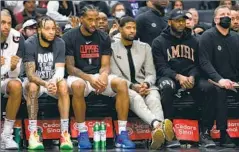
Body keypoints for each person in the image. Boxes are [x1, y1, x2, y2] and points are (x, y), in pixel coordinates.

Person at [62, 5, 135, 149]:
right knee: (78, 86)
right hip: (78, 76)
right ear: (81, 19)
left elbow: (105, 64)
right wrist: (89, 78)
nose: (94, 23)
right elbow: (70, 67)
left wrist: (103, 76)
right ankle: (82, 133)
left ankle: (122, 133)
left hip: (97, 75)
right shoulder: (69, 36)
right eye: (90, 19)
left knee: (121, 84)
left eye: (96, 19)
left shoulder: (103, 37)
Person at [152, 9, 218, 148]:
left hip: (190, 77)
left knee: (210, 88)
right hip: (170, 76)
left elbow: (198, 64)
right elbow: (161, 67)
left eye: (183, 20)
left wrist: (192, 77)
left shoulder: (194, 40)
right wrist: (178, 77)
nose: (181, 23)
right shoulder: (159, 42)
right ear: (170, 22)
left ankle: (205, 132)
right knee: (167, 87)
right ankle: (168, 133)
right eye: (177, 20)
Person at [199, 5, 239, 148]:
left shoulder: (237, 37)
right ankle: (222, 133)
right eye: (223, 14)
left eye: (229, 14)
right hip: (212, 79)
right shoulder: (207, 36)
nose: (227, 16)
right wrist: (220, 79)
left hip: (233, 80)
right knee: (219, 92)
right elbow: (204, 62)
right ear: (215, 19)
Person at [111, 16, 174, 150]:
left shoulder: (145, 47)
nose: (132, 31)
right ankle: (158, 125)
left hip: (145, 85)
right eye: (128, 27)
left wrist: (146, 84)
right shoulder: (112, 49)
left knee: (154, 98)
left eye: (134, 28)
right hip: (124, 87)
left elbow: (151, 73)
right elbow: (115, 74)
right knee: (137, 98)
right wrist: (133, 86)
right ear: (120, 29)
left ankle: (158, 133)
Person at [23, 16, 73, 150]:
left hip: (52, 82)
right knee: (33, 87)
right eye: (47, 29)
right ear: (39, 30)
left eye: (53, 29)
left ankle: (64, 133)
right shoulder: (29, 43)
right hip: (35, 83)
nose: (51, 32)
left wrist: (52, 82)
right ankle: (33, 134)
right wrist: (46, 84)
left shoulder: (60, 42)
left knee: (63, 85)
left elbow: (60, 70)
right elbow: (30, 75)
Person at [0, 9, 24, 150]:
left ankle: (6, 134)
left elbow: (15, 74)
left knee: (16, 85)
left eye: (9, 23)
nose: (6, 26)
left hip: (6, 79)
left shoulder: (17, 37)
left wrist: (13, 66)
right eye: (2, 23)